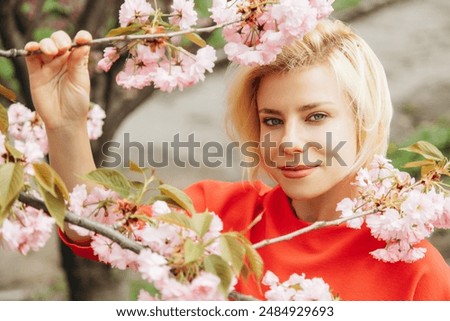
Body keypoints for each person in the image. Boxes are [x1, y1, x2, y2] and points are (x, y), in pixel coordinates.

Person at [24, 19, 450, 300]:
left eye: (316, 116)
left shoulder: (417, 272)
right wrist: (65, 125)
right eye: (272, 120)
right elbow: (95, 230)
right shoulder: (218, 214)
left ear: (364, 119)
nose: (289, 141)